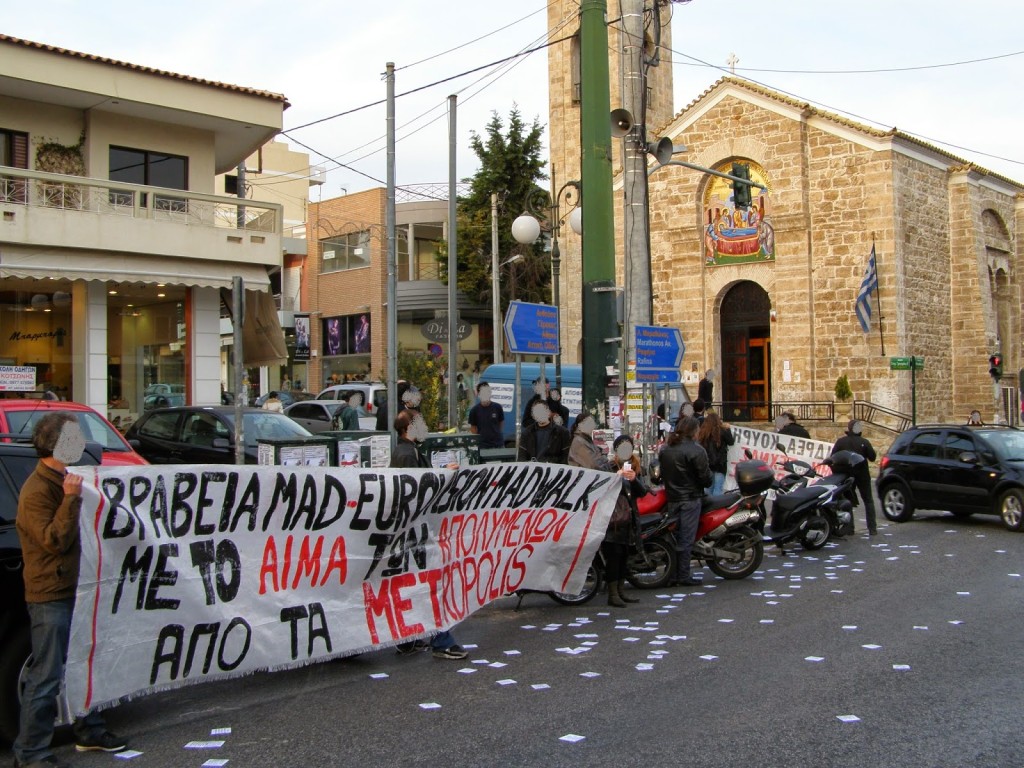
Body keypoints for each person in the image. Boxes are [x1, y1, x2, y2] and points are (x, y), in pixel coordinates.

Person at [14, 412, 129, 767]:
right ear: (59, 445)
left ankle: (89, 729)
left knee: (85, 663)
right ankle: (30, 752)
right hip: (52, 593)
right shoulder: (39, 490)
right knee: (46, 675)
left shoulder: (68, 479)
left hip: (78, 588)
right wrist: (70, 500)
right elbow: (54, 540)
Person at [390, 410, 468, 660]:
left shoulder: (406, 452)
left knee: (417, 585)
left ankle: (408, 640)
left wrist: (442, 470)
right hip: (415, 533)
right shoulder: (406, 454)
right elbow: (416, 491)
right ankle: (441, 641)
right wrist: (443, 476)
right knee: (431, 585)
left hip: (410, 532)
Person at [569, 424, 644, 607]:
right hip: (612, 520)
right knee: (614, 557)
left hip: (629, 519)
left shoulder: (635, 466)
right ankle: (612, 594)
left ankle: (620, 590)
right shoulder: (608, 466)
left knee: (625, 556)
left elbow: (642, 492)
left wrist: (633, 480)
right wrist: (616, 476)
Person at [659, 415, 712, 587]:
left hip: (672, 498)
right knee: (686, 539)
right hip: (690, 498)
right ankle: (683, 574)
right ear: (694, 431)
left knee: (673, 537)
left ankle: (673, 573)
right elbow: (705, 478)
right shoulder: (696, 450)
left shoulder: (666, 449)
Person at [831, 419, 878, 535]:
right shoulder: (864, 442)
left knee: (848, 501)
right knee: (868, 500)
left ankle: (849, 528)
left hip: (846, 474)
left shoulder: (841, 442)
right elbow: (872, 457)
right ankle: (872, 528)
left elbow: (833, 457)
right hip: (862, 473)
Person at [697, 410, 735, 495]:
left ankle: (708, 507)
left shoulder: (703, 432)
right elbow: (731, 442)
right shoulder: (723, 431)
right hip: (720, 465)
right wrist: (728, 429)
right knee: (718, 487)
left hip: (707, 464)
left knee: (708, 489)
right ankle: (716, 507)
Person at [467, 382, 505, 449]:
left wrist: (497, 433)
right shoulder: (474, 410)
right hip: (483, 446)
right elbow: (473, 428)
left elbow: (501, 423)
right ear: (479, 394)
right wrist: (478, 441)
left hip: (498, 444)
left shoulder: (498, 407)